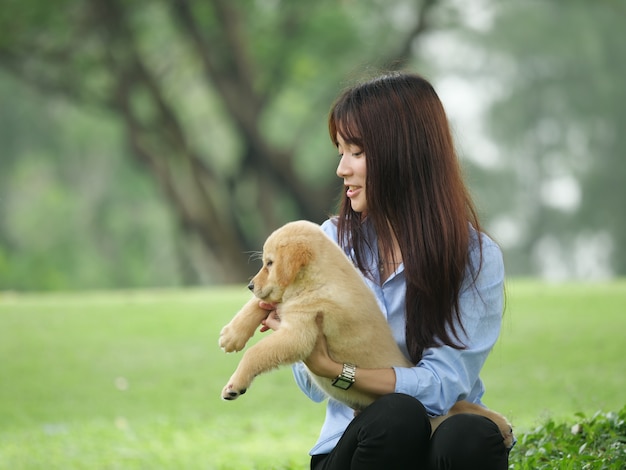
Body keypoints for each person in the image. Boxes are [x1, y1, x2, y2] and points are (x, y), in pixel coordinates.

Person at [260, 72, 513, 469]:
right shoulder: (328, 245)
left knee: (471, 435)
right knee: (397, 416)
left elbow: (443, 386)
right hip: (355, 449)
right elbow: (311, 388)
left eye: (356, 152)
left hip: (439, 436)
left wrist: (337, 368)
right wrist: (302, 342)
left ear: (404, 154)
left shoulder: (475, 256)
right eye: (340, 151)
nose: (342, 168)